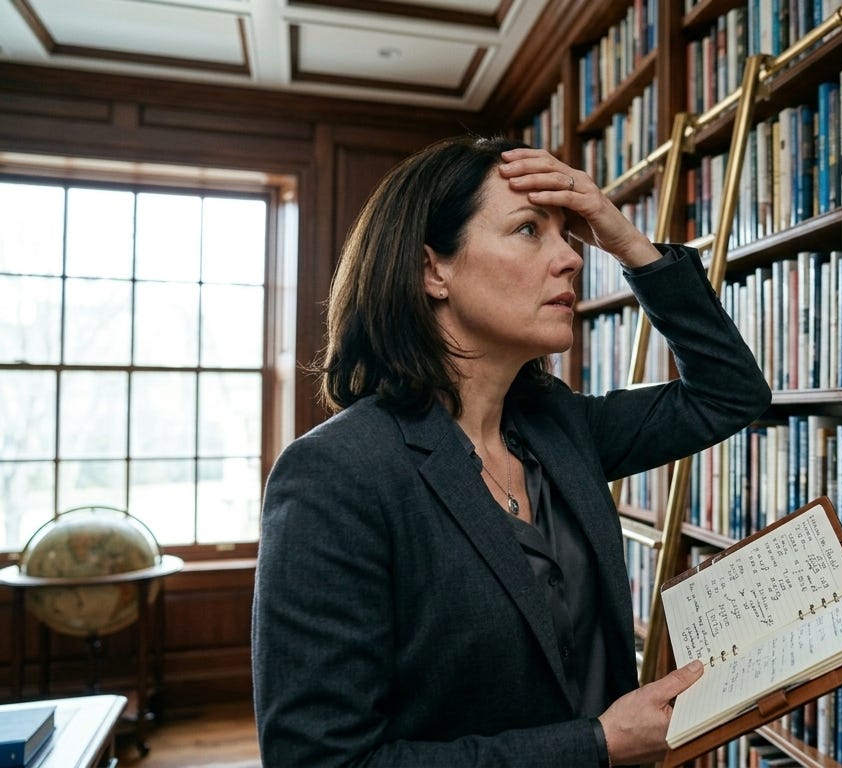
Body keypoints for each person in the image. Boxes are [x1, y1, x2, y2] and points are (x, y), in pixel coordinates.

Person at [251, 136, 772, 766]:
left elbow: (729, 394)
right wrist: (598, 744)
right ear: (432, 271)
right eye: (528, 230)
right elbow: (319, 760)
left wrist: (625, 239)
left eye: (568, 235)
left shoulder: (560, 427)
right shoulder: (335, 473)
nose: (571, 259)